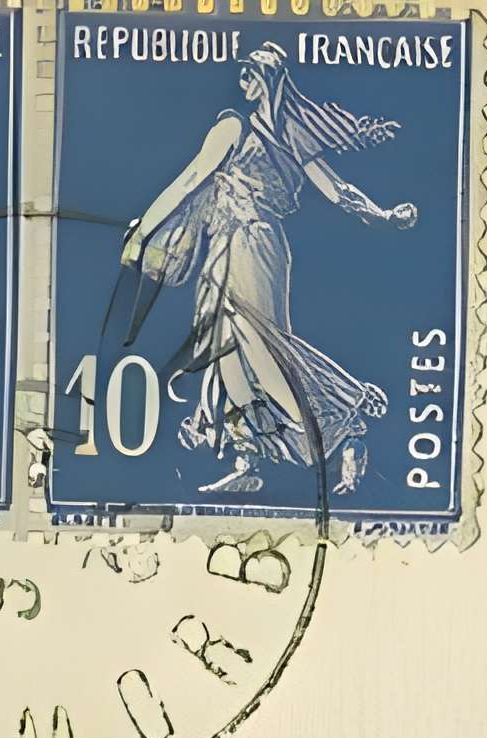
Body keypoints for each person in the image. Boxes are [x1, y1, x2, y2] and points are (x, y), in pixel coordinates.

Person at [120, 43, 416, 499]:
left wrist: (384, 214)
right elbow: (193, 179)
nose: (246, 80)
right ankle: (249, 459)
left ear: (274, 80)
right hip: (225, 244)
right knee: (224, 350)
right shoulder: (232, 127)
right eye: (243, 72)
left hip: (253, 242)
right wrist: (148, 227)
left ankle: (341, 433)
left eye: (255, 73)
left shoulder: (280, 134)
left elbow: (337, 191)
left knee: (260, 344)